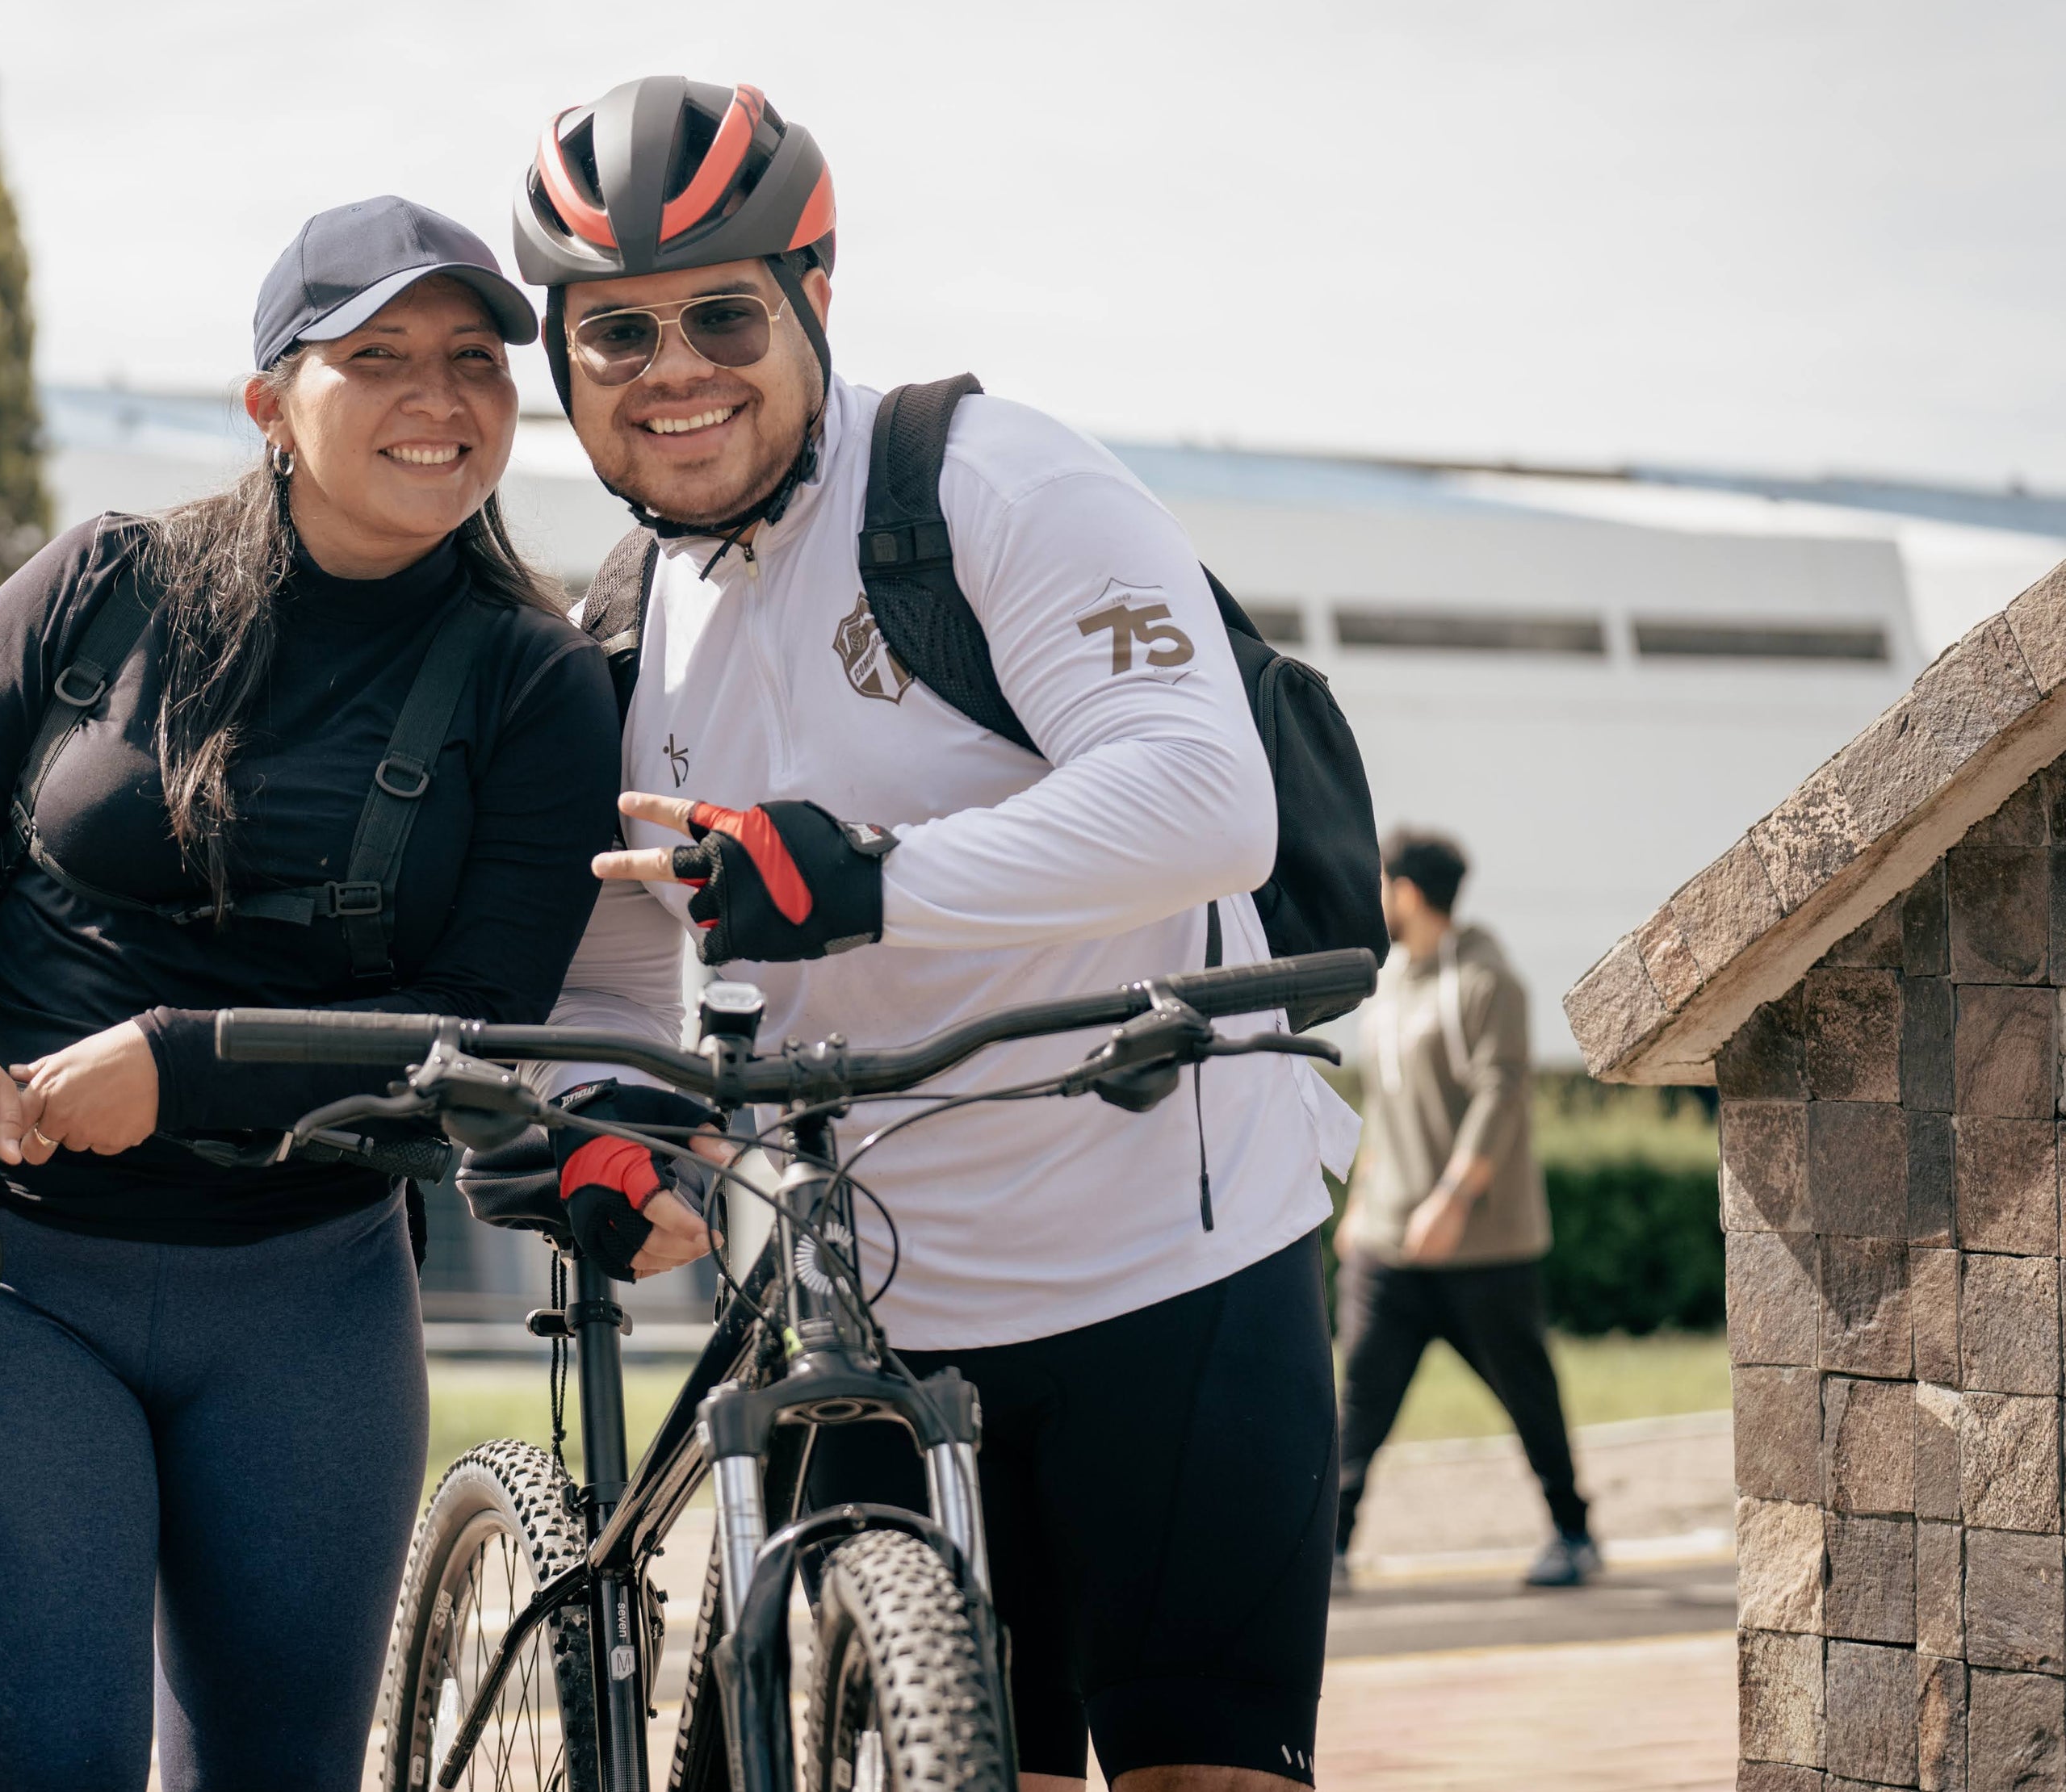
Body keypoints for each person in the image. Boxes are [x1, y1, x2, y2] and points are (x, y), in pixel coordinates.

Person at [512, 78, 1364, 1790]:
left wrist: (868, 875)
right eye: (616, 335)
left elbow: (1207, 799)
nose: (673, 368)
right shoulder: (623, 621)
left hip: (1169, 1266)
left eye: (721, 314)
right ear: (565, 361)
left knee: (1209, 1772)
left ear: (814, 297)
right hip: (868, 1303)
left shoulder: (989, 485)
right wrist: (623, 1123)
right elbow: (630, 941)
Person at [0, 196, 620, 1790]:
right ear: (270, 400)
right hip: (23, 1278)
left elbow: (481, 1027)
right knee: (48, 1760)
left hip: (309, 1297)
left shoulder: (534, 682)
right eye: (381, 356)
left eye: (476, 361)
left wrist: (179, 1066)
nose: (441, 397)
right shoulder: (98, 588)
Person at [1333, 830, 1594, 1591]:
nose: (1375, 896)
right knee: (1359, 1400)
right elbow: (1385, 1106)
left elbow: (1502, 1092)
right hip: (1388, 1245)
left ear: (1408, 892)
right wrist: (1360, 1203)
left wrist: (1453, 1198)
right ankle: (1329, 1547)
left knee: (1527, 1395)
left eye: (1381, 883)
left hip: (1483, 1248)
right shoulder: (1392, 984)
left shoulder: (1488, 982)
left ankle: (1573, 1535)